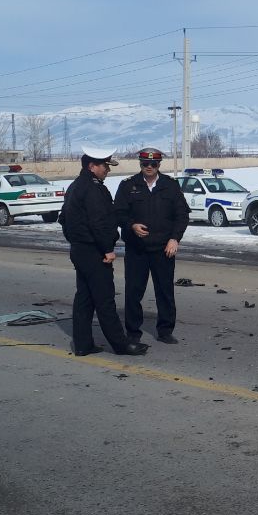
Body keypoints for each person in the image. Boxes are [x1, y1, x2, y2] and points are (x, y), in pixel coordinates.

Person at [61, 146, 148, 358]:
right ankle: (121, 344)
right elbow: (99, 223)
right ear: (92, 166)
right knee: (104, 298)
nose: (107, 170)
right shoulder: (92, 189)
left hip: (80, 249)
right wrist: (107, 249)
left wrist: (78, 243)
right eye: (104, 166)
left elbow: (64, 219)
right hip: (94, 251)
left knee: (85, 298)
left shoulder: (76, 186)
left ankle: (83, 344)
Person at [113, 148, 190, 345]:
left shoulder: (170, 186)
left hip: (163, 249)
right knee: (133, 291)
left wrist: (175, 239)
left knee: (164, 292)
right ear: (140, 164)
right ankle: (133, 332)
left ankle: (165, 331)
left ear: (159, 165)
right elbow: (118, 212)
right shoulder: (128, 186)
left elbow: (181, 215)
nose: (149, 167)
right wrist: (131, 225)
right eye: (145, 164)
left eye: (153, 164)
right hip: (137, 249)